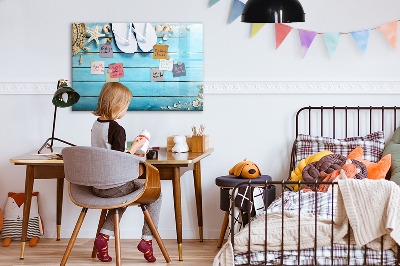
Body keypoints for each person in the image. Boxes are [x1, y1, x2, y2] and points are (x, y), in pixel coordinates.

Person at [91, 82, 161, 263]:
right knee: (156, 194)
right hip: (114, 186)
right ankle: (147, 240)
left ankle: (103, 238)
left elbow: (108, 154)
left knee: (121, 197)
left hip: (97, 186)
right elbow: (119, 161)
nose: (126, 110)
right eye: (126, 106)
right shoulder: (117, 129)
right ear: (117, 105)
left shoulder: (96, 125)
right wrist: (136, 148)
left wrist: (131, 150)